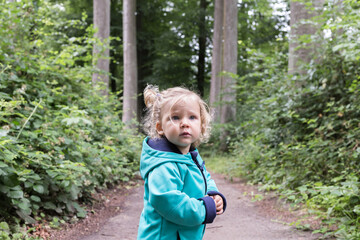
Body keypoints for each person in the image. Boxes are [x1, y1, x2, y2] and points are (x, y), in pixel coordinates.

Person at [137, 85, 227, 240]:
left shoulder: (190, 154)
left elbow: (205, 176)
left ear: (201, 124)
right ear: (160, 128)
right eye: (176, 117)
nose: (185, 123)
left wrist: (213, 194)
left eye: (192, 117)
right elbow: (172, 204)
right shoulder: (163, 165)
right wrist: (205, 209)